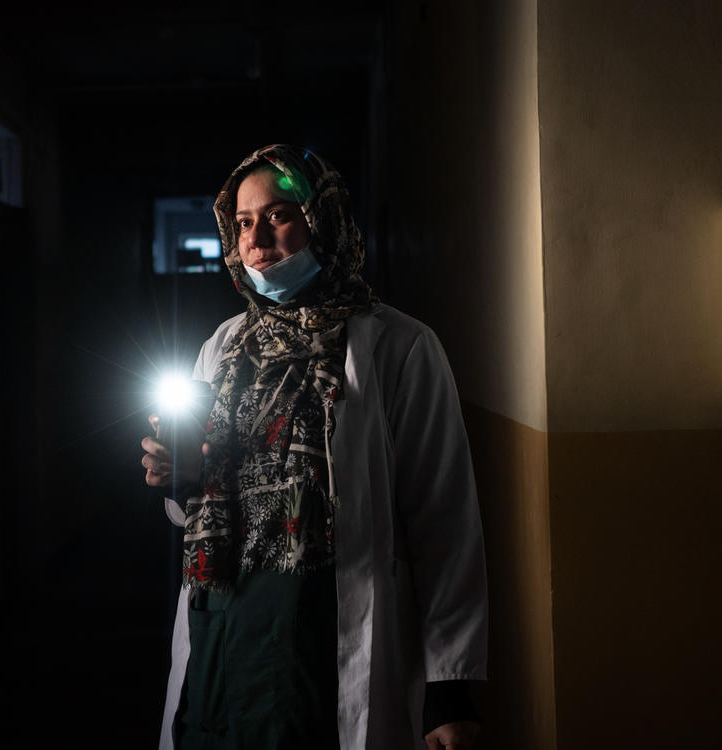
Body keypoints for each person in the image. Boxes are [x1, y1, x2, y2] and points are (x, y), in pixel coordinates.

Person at [141, 144, 488, 750]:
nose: (256, 238)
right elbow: (193, 507)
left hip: (321, 634)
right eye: (243, 222)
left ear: (323, 219)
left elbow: (445, 523)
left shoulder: (398, 348)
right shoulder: (220, 349)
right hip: (223, 628)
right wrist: (183, 479)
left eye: (279, 215)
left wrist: (450, 689)